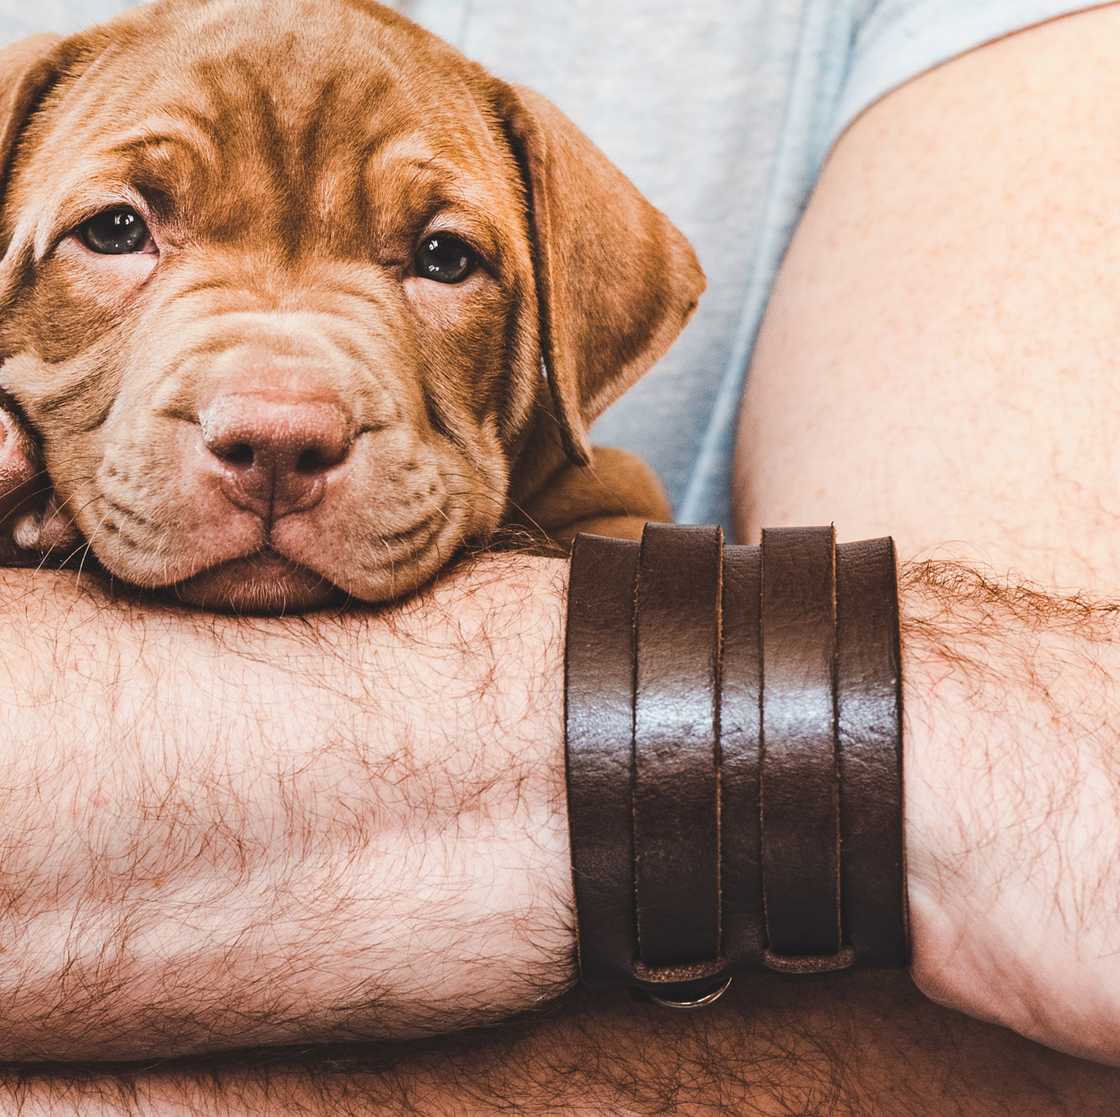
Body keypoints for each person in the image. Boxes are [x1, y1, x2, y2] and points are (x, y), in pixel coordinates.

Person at [1, 0, 1120, 1112]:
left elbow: (1029, 916)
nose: (280, 410)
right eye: (114, 232)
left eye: (440, 257)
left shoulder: (594, 529)